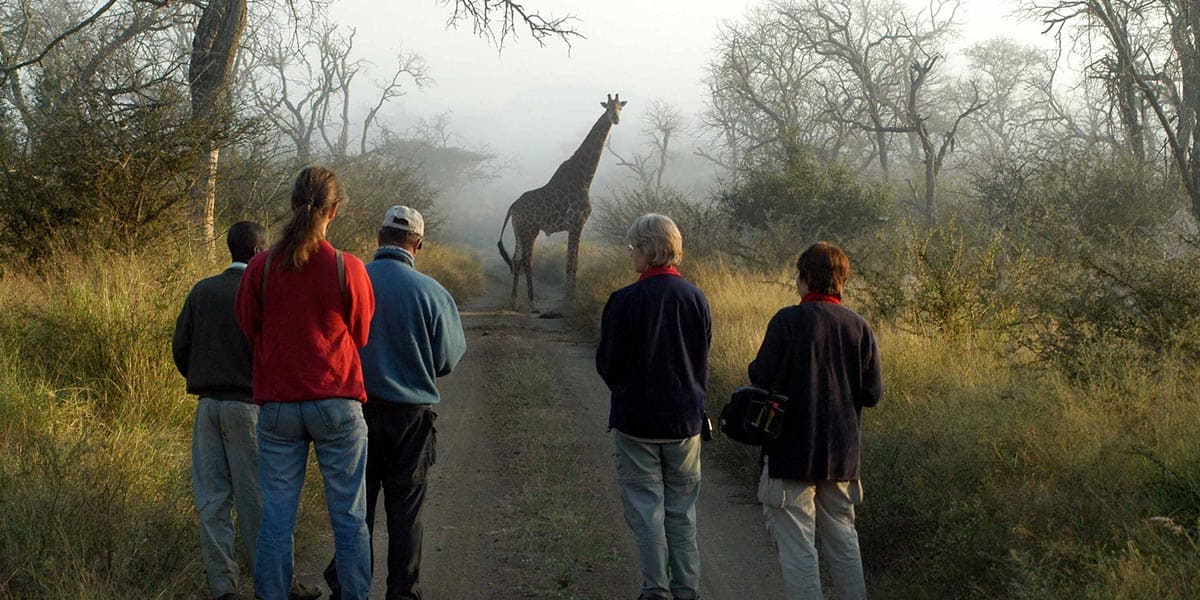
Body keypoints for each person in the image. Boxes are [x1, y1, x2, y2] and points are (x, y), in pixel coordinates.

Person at [235, 166, 376, 600]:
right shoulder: (345, 267)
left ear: (293, 204)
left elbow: (248, 327)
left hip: (277, 405)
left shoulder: (259, 267)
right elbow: (362, 332)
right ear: (333, 211)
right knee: (349, 517)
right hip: (336, 402)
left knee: (276, 517)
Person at [172, 221, 321, 600]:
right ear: (258, 252)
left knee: (213, 501)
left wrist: (204, 377)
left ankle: (224, 588)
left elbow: (180, 347)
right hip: (249, 407)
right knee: (261, 500)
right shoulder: (264, 289)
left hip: (207, 407)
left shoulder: (202, 290)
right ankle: (276, 584)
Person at [323, 205, 466, 600]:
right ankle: (403, 594)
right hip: (411, 419)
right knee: (406, 513)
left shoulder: (349, 282)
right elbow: (448, 360)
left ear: (378, 236)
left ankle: (347, 589)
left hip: (354, 412)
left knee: (355, 510)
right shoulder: (434, 293)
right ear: (417, 245)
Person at [747, 241, 884, 600]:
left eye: (799, 275)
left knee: (798, 548)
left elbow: (760, 376)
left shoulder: (787, 321)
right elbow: (872, 394)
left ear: (806, 277)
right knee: (843, 542)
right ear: (841, 280)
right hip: (842, 456)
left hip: (790, 452)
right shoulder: (860, 327)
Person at [596, 213, 711, 600]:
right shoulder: (697, 298)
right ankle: (687, 589)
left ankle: (655, 590)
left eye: (633, 249)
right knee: (682, 512)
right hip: (685, 425)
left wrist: (630, 390)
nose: (632, 256)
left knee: (647, 511)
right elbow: (701, 357)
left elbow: (608, 365)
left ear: (647, 250)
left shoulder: (624, 301)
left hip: (637, 424)